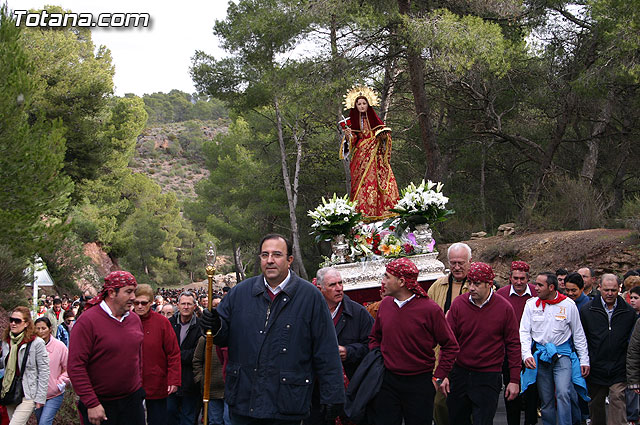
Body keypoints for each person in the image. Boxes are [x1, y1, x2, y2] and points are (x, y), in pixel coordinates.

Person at [201, 234, 345, 425]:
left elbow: (326, 349)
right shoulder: (240, 293)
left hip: (287, 403)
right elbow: (222, 336)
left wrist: (333, 394)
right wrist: (215, 326)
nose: (270, 260)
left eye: (277, 254)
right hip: (244, 401)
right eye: (264, 255)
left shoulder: (310, 297)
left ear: (289, 260)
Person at [369, 257, 459, 425]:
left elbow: (450, 345)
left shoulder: (430, 309)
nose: (383, 281)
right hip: (388, 382)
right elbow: (375, 337)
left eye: (387, 277)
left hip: (420, 384)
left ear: (402, 282)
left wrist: (438, 377)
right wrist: (379, 360)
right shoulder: (385, 305)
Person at [444, 262, 520, 425]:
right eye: (470, 282)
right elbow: (448, 342)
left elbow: (513, 344)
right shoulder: (459, 304)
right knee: (456, 419)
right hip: (461, 373)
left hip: (488, 376)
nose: (471, 288)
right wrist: (443, 373)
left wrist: (514, 380)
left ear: (489, 284)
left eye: (477, 284)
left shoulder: (504, 308)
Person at [68, 270, 145, 425]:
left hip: (132, 403)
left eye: (134, 292)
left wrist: (139, 388)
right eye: (128, 292)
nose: (133, 297)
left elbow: (138, 356)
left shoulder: (134, 320)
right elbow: (76, 366)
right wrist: (91, 403)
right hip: (100, 405)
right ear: (111, 293)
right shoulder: (87, 321)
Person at [305, 267, 374, 425]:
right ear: (320, 289)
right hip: (316, 393)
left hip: (352, 390)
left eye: (340, 283)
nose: (339, 288)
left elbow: (373, 346)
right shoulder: (308, 313)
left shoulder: (358, 313)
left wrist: (349, 351)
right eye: (332, 285)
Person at [520, 272, 590, 425]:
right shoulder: (531, 304)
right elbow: (524, 331)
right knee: (546, 399)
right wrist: (526, 355)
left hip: (562, 355)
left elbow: (578, 334)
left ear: (551, 287)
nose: (535, 288)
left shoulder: (568, 305)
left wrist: (584, 360)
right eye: (536, 284)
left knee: (564, 393)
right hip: (541, 356)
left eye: (540, 285)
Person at [580, 273, 637, 425]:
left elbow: (632, 342)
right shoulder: (587, 311)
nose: (610, 293)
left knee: (618, 400)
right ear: (599, 288)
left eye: (613, 290)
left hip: (619, 367)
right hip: (596, 367)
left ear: (619, 289)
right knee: (596, 407)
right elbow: (582, 339)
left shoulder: (628, 312)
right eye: (606, 290)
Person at [427, 241, 471, 425]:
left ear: (470, 262)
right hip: (441, 355)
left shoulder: (478, 286)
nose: (457, 267)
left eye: (461, 263)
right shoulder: (437, 286)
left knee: (466, 405)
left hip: (468, 356)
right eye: (453, 263)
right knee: (439, 403)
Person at [341, 86, 399, 218]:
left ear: (368, 104)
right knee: (362, 183)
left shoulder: (375, 121)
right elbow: (353, 140)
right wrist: (348, 135)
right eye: (359, 104)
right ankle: (363, 212)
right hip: (360, 156)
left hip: (376, 156)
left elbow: (385, 135)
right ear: (355, 106)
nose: (362, 106)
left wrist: (383, 138)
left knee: (379, 181)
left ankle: (382, 211)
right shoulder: (353, 123)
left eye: (364, 103)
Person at [496, 261, 538, 425]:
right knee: (511, 389)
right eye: (516, 278)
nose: (519, 282)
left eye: (522, 278)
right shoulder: (501, 294)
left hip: (532, 350)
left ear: (528, 278)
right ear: (510, 278)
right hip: (509, 350)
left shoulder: (535, 293)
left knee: (532, 390)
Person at [133, 284, 181, 425]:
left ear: (151, 303)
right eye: (136, 303)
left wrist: (173, 380)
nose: (140, 306)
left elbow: (173, 352)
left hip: (157, 382)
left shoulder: (162, 322)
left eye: (144, 303)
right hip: (131, 384)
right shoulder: (126, 321)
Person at [0, 306, 49, 425]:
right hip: (10, 390)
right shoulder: (7, 341)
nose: (13, 323)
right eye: (11, 320)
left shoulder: (36, 343)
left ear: (26, 323)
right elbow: (4, 365)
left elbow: (44, 371)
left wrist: (40, 398)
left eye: (17, 321)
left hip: (28, 393)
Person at [193, 297, 230, 425]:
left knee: (229, 420)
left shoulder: (233, 334)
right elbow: (197, 360)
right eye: (214, 306)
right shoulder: (205, 338)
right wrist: (200, 379)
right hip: (212, 388)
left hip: (229, 389)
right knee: (214, 421)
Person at [167, 291, 202, 425]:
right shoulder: (169, 324)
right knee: (170, 413)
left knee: (188, 417)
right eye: (183, 304)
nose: (186, 307)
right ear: (178, 305)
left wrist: (175, 355)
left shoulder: (200, 326)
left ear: (194, 306)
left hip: (190, 380)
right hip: (170, 379)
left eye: (189, 304)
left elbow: (198, 353)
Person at [33, 317, 69, 425]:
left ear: (50, 329)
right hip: (36, 394)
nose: (40, 331)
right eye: (38, 328)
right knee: (40, 420)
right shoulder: (31, 346)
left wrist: (60, 383)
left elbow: (69, 368)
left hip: (54, 394)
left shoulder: (59, 346)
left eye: (43, 328)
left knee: (44, 422)